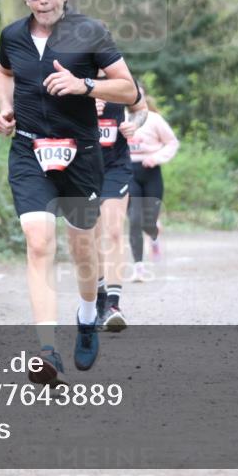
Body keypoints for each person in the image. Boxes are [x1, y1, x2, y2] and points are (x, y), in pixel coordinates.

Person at [0, 0, 139, 385]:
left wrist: (85, 85)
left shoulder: (89, 32)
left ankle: (87, 313)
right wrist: (5, 108)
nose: (43, 0)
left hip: (81, 155)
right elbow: (4, 73)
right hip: (28, 152)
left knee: (82, 249)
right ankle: (46, 352)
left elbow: (129, 89)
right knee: (38, 242)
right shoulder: (12, 36)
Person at [83, 84, 147, 333]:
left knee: (114, 232)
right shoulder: (71, 73)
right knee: (91, 236)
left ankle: (113, 304)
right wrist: (84, 109)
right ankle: (99, 300)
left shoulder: (119, 76)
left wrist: (135, 123)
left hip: (115, 167)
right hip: (83, 165)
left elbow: (140, 109)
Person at [127, 93, 179, 282]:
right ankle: (138, 268)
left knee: (148, 222)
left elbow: (172, 142)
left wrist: (156, 158)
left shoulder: (154, 119)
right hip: (128, 172)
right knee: (134, 219)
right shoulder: (119, 118)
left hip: (151, 172)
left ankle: (154, 235)